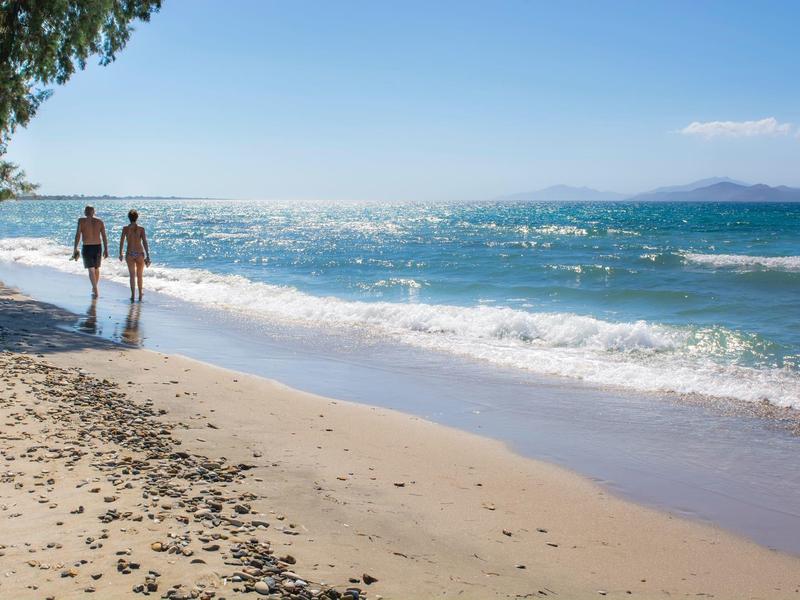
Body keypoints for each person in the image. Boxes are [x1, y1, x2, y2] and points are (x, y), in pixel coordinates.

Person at [73, 205, 109, 298]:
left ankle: (95, 289)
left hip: (87, 247)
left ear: (85, 212)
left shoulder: (81, 221)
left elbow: (78, 235)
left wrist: (75, 248)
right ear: (94, 212)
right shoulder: (100, 221)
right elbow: (104, 236)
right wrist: (106, 249)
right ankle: (95, 288)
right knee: (96, 269)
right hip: (98, 247)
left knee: (91, 270)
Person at [119, 209, 151, 301]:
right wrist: (148, 255)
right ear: (137, 218)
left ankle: (133, 295)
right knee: (139, 275)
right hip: (140, 254)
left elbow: (121, 242)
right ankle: (140, 294)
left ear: (128, 218)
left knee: (132, 275)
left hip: (129, 253)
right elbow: (145, 242)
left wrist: (120, 253)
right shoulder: (141, 229)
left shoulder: (125, 229)